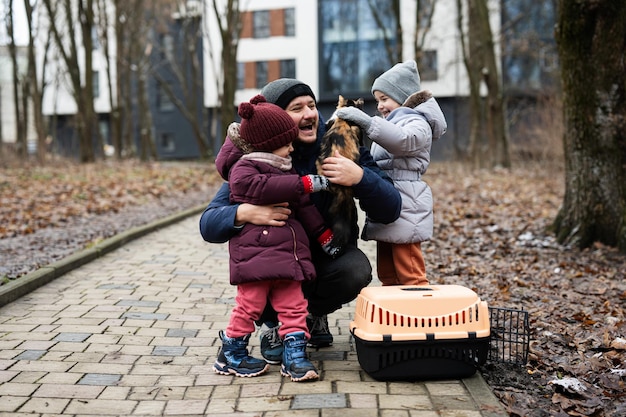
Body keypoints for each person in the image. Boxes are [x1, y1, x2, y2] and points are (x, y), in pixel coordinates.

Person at [199, 79, 402, 363]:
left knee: (356, 269)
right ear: (276, 119)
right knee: (264, 270)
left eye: (312, 105)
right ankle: (277, 326)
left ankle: (311, 315)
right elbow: (208, 224)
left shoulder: (339, 145)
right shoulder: (257, 162)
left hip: (326, 257)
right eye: (297, 108)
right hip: (277, 264)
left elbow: (391, 209)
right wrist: (243, 213)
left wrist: (360, 177)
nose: (310, 114)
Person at [212, 95, 343, 382]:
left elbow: (304, 207)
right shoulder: (245, 168)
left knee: (295, 306)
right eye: (286, 143)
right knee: (249, 306)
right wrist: (303, 183)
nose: (291, 147)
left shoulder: (286, 168)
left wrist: (323, 235)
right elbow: (260, 187)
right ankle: (231, 353)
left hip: (288, 256)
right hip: (256, 258)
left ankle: (294, 355)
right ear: (269, 144)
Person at [334, 60, 447, 286]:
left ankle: (420, 314)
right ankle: (393, 316)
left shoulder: (417, 122)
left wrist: (367, 122)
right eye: (377, 101)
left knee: (410, 274)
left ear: (404, 96)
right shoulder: (392, 123)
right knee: (387, 273)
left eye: (384, 99)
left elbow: (403, 141)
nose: (380, 106)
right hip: (388, 201)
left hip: (407, 203)